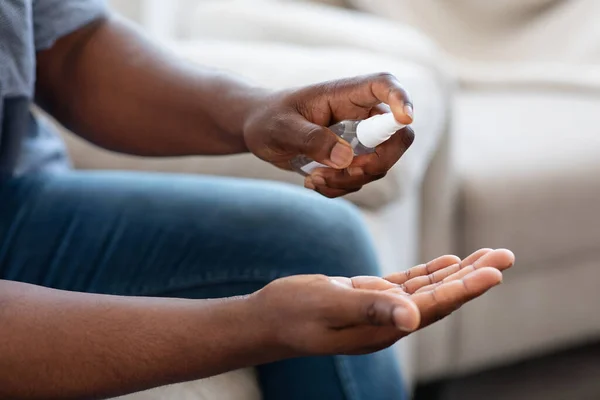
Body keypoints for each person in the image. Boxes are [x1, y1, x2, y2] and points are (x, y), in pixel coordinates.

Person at [0, 1, 516, 399]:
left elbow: (68, 46)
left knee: (315, 236)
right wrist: (254, 325)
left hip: (17, 190)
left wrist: (254, 113)